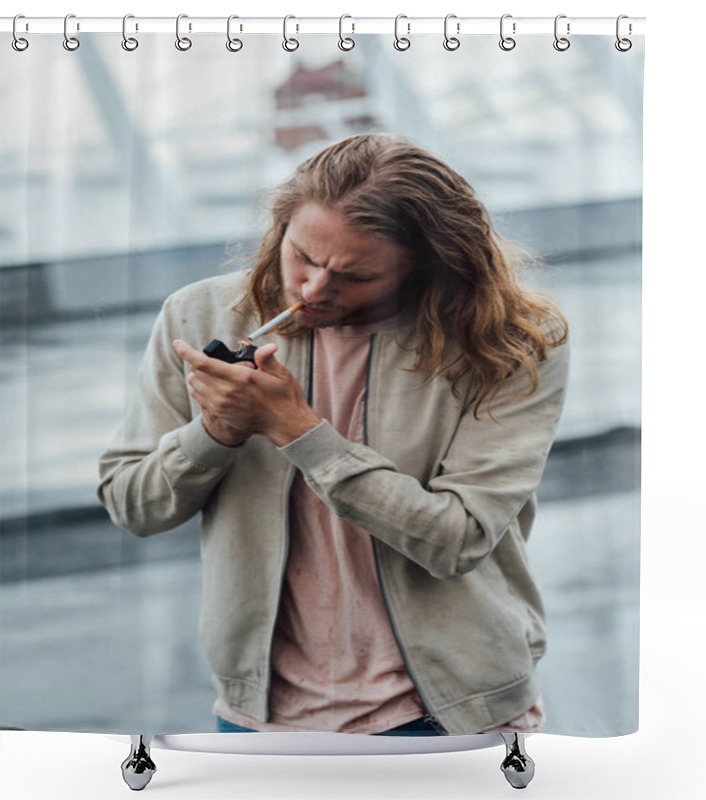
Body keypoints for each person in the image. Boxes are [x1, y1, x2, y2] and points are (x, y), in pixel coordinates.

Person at [97, 133, 569, 737]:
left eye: (355, 275)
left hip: (453, 712)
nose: (314, 289)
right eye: (304, 257)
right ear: (281, 225)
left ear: (427, 267)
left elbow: (458, 539)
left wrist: (300, 431)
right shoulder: (198, 316)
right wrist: (214, 432)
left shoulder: (508, 343)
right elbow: (131, 506)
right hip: (259, 716)